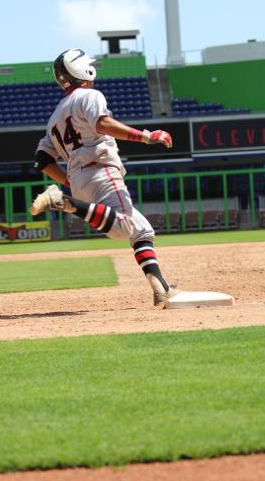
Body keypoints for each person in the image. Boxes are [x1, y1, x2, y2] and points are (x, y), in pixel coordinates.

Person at [29, 48, 178, 308]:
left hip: (79, 181)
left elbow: (42, 160)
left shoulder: (55, 116)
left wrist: (68, 182)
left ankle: (160, 287)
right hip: (101, 170)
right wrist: (146, 136)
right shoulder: (90, 95)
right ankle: (62, 202)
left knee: (142, 230)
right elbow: (102, 124)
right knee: (123, 230)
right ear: (84, 70)